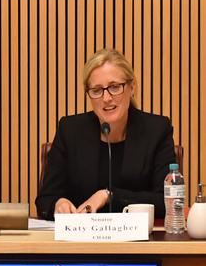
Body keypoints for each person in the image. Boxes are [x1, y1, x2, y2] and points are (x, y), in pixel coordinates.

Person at [35, 48, 176, 220]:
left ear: (132, 87)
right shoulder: (70, 130)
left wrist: (108, 196)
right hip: (80, 243)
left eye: (115, 87)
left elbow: (168, 202)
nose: (106, 98)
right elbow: (45, 199)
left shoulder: (157, 130)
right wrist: (58, 204)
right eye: (96, 90)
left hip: (140, 243)